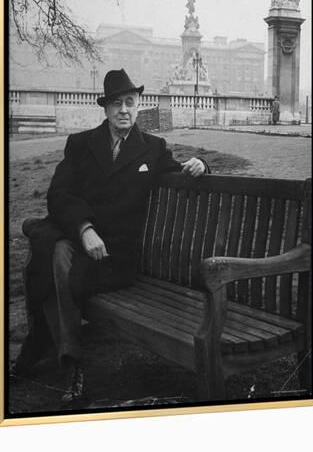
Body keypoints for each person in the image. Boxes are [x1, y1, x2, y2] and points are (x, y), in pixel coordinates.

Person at [14, 68, 209, 401]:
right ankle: (72, 360)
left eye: (130, 102)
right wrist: (85, 229)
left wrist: (201, 165)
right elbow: (59, 194)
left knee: (53, 260)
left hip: (115, 260)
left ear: (138, 105)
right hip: (80, 244)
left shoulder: (153, 148)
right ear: (105, 108)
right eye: (116, 103)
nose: (124, 110)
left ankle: (58, 355)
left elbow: (180, 171)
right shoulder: (80, 145)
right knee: (59, 255)